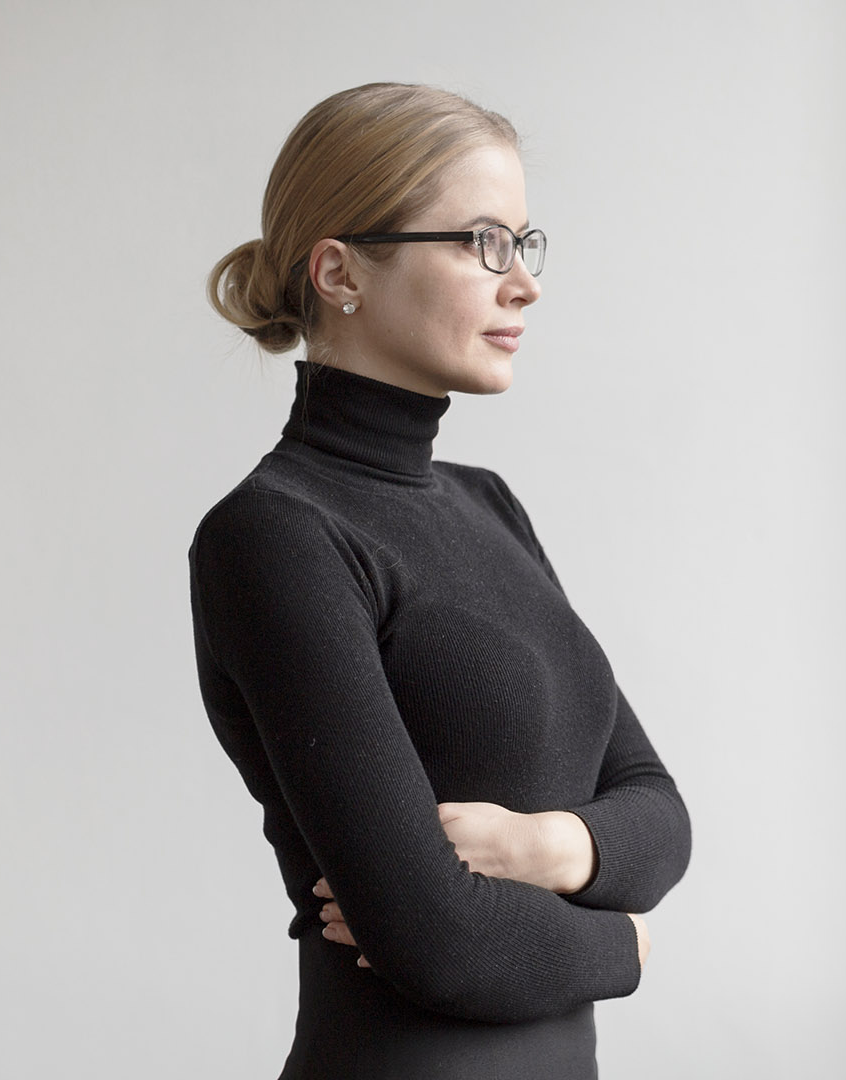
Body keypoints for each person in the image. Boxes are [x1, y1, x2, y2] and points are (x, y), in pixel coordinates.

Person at [188, 83, 692, 1079]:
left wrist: (545, 848)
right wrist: (624, 945)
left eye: (524, 242)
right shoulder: (277, 535)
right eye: (481, 243)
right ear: (340, 271)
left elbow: (660, 816)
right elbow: (440, 943)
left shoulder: (489, 505)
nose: (524, 284)